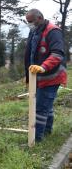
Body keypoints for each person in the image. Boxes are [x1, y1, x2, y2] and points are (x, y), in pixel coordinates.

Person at [25, 9, 67, 142]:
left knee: (41, 107)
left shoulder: (53, 32)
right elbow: (30, 54)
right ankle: (47, 130)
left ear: (40, 17)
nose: (30, 24)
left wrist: (43, 67)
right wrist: (28, 77)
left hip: (52, 75)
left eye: (31, 21)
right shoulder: (34, 31)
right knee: (45, 104)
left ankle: (36, 138)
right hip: (38, 76)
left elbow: (57, 54)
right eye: (28, 22)